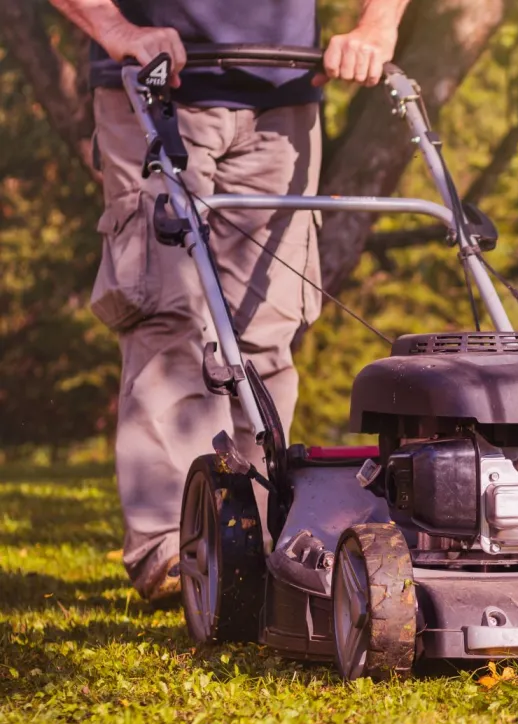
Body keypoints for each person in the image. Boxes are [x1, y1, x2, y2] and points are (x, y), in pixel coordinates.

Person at [50, 0, 411, 603]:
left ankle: (256, 541)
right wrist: (117, 29)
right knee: (168, 315)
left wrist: (378, 25)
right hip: (157, 88)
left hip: (286, 95)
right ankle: (177, 541)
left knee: (266, 330)